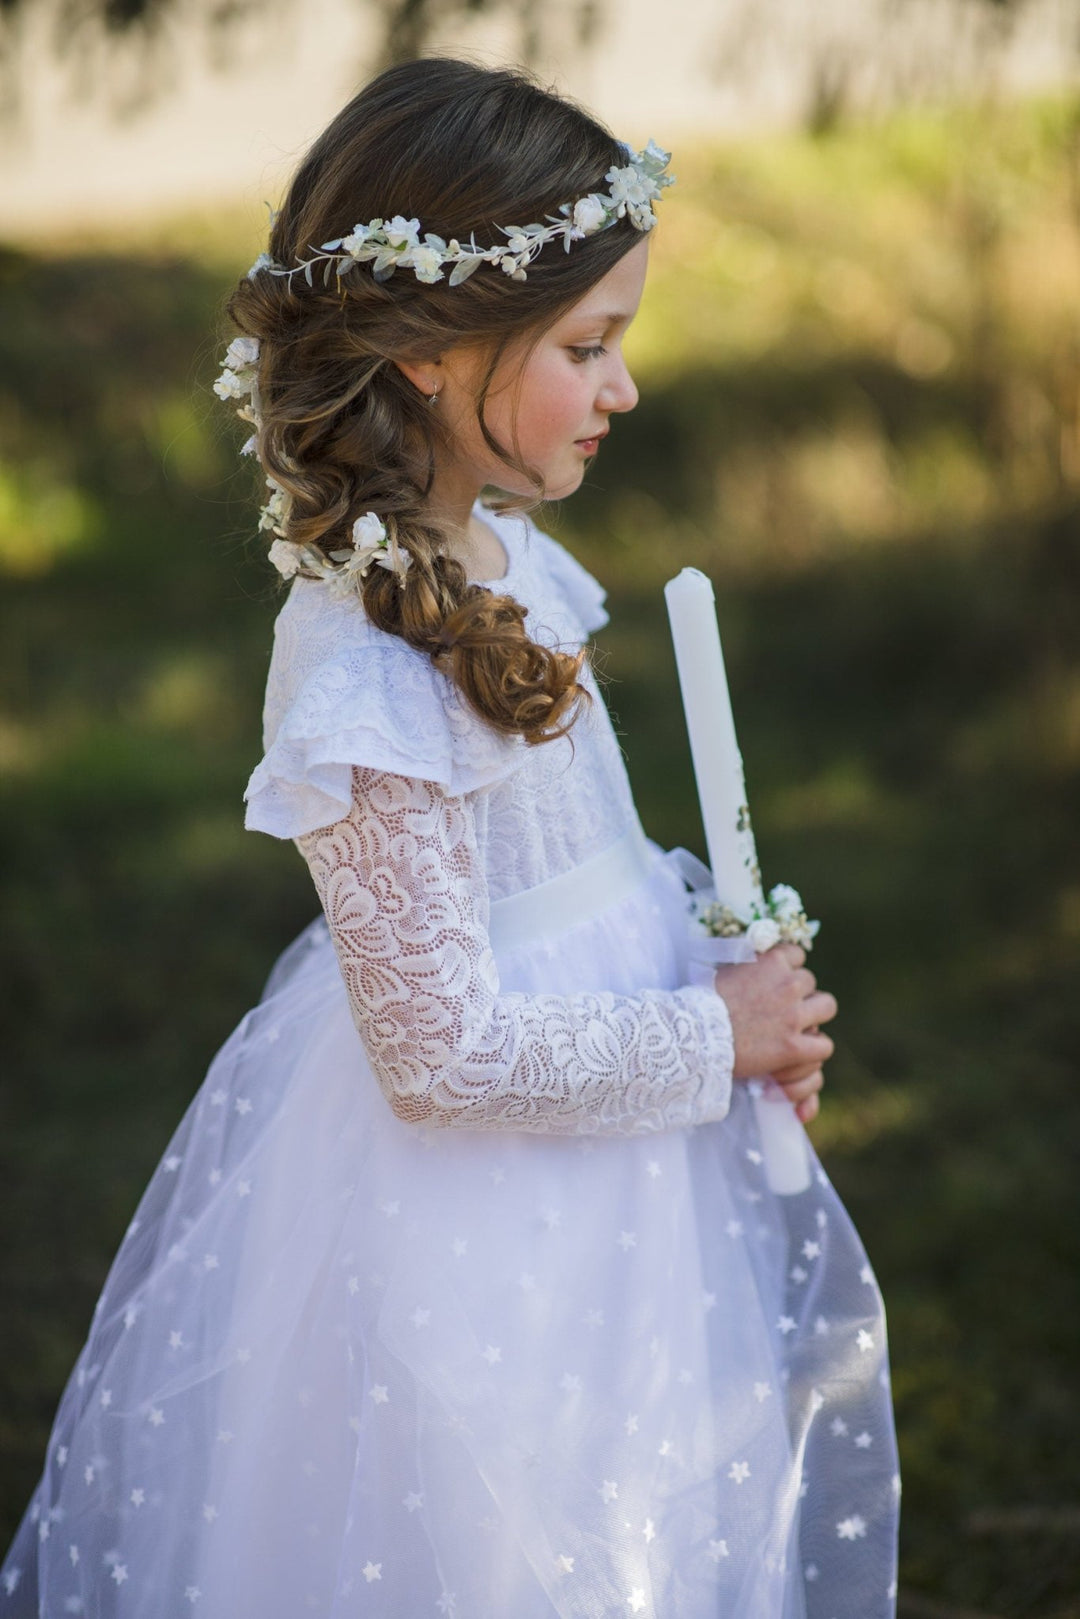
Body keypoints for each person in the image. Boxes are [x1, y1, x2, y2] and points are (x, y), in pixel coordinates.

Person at [0, 55, 900, 1618]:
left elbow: (575, 875)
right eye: (588, 345)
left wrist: (718, 979)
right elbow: (439, 1055)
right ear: (430, 354)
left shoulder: (510, 558)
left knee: (636, 1520)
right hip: (477, 1228)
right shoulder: (362, 664)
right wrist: (705, 1040)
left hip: (615, 1152)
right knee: (498, 1545)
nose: (622, 386)